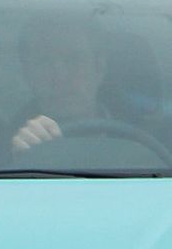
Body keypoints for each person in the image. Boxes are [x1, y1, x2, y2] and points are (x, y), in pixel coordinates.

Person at [10, 14, 107, 153]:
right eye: (44, 61)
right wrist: (17, 160)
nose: (60, 77)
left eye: (74, 60)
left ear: (99, 68)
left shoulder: (140, 132)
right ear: (27, 74)